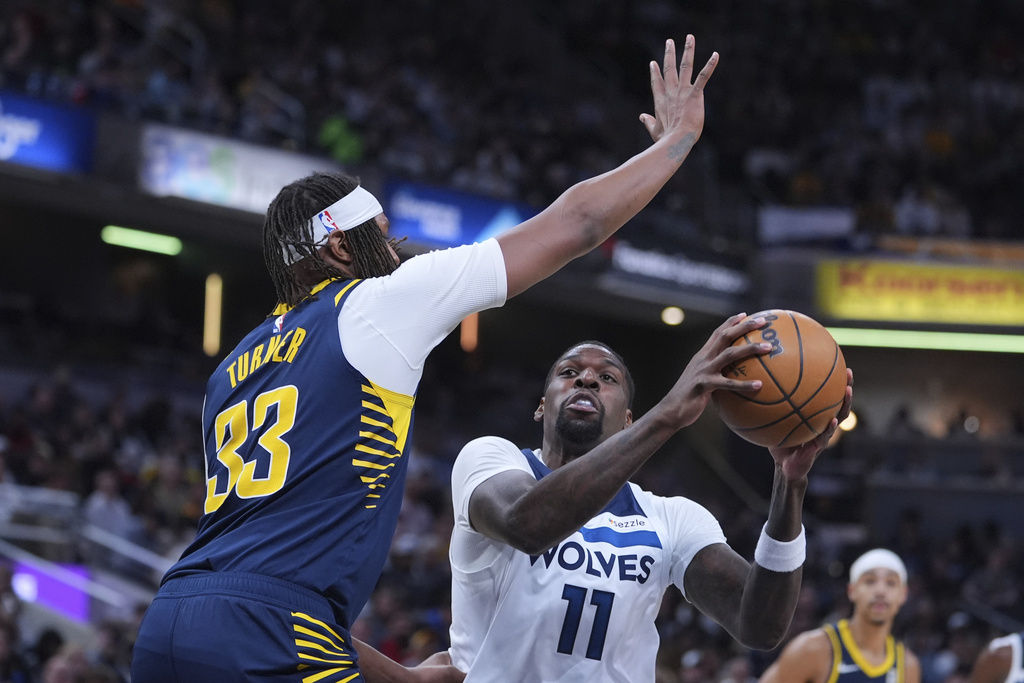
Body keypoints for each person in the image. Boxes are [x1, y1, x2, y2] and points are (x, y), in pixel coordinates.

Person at [131, 34, 720, 683]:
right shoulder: (377, 301)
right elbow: (577, 223)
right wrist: (676, 143)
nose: (396, 250)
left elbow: (261, 581)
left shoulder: (230, 368)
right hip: (268, 635)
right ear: (339, 250)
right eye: (382, 237)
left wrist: (405, 679)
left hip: (172, 620)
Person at [446, 322, 855, 681]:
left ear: (628, 420)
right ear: (541, 406)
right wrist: (667, 415)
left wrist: (789, 484)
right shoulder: (490, 460)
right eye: (569, 373)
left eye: (607, 378)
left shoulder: (671, 518)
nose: (586, 379)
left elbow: (760, 626)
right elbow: (527, 526)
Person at [759, 548, 921, 683]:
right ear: (852, 590)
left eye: (891, 583)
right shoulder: (812, 649)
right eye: (870, 581)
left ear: (903, 594)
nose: (880, 591)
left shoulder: (908, 666)